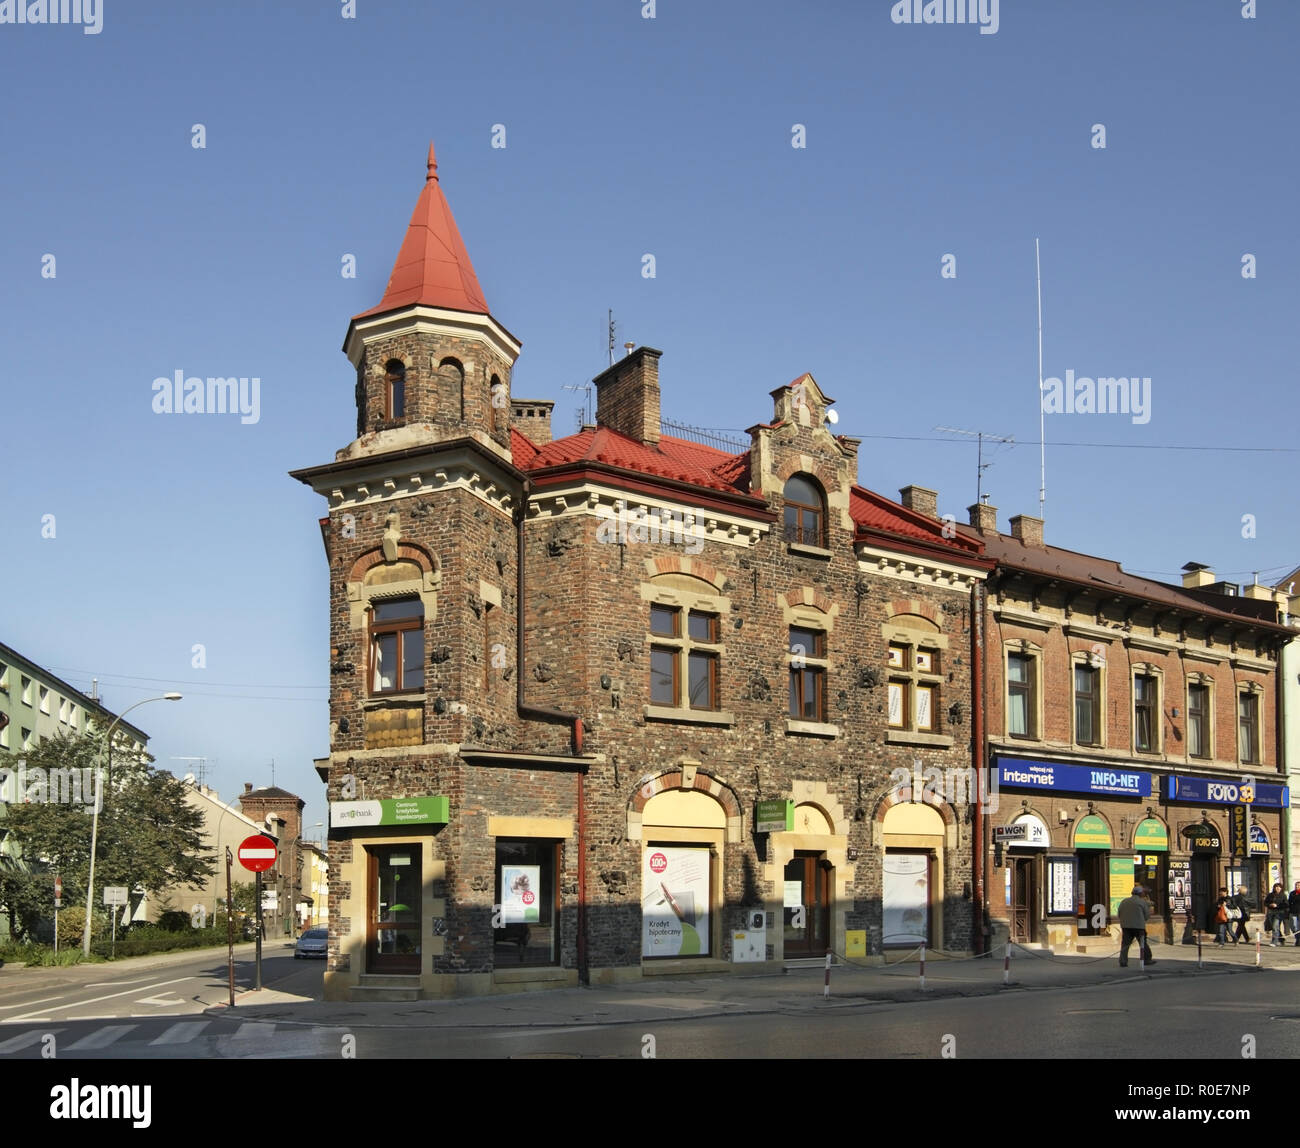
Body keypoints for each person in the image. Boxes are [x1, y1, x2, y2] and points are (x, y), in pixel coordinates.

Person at [1117, 884, 1153, 967]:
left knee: (1125, 944)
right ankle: (1147, 959)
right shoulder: (1142, 902)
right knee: (1143, 943)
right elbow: (1147, 915)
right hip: (1138, 927)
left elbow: (1119, 913)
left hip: (1126, 926)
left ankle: (1123, 961)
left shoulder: (1124, 901)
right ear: (1140, 894)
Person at [1288, 881, 1300, 948]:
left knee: (1299, 927)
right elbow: (1289, 902)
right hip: (1293, 912)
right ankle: (1297, 938)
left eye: (1298, 885)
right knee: (1294, 927)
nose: (1297, 887)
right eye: (1296, 885)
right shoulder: (1292, 893)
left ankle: (1298, 940)